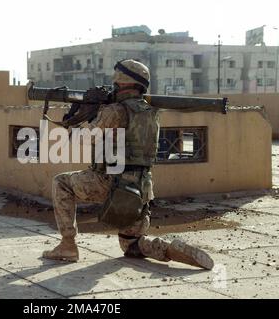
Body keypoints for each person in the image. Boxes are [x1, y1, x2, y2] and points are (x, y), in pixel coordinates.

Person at [42, 59, 214, 270]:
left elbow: (81, 139)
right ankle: (168, 248)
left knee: (61, 183)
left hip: (109, 183)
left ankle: (67, 245)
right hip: (141, 189)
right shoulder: (151, 112)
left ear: (122, 83)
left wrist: (78, 115)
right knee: (130, 244)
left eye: (116, 82)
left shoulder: (115, 111)